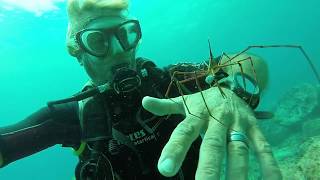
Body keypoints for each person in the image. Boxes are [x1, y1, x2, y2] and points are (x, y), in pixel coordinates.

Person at [0, 0, 282, 179]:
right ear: (79, 54)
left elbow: (248, 62)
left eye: (125, 35)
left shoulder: (171, 80)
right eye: (98, 41)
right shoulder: (76, 117)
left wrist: (229, 89)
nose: (117, 51)